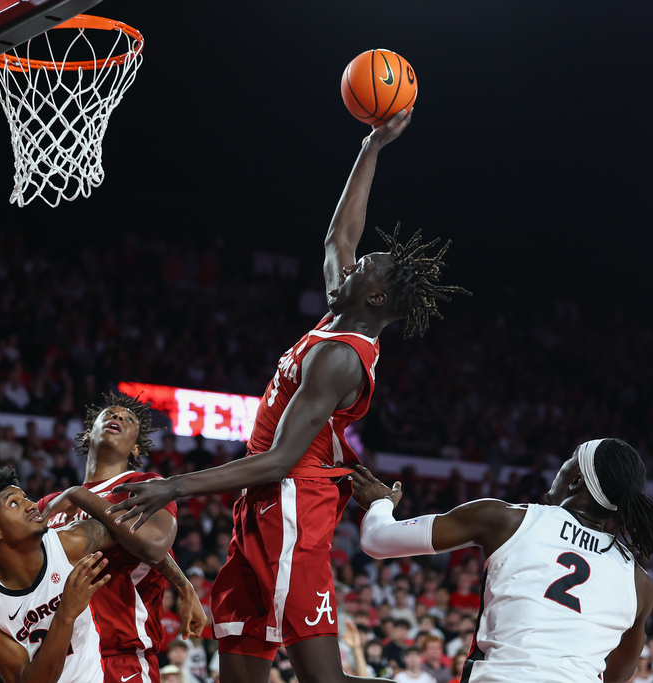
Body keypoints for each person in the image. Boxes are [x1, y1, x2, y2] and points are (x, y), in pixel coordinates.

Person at [108, 109, 467, 683]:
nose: (352, 264)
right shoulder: (339, 311)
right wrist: (372, 146)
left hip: (291, 505)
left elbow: (276, 458)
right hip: (263, 506)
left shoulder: (341, 355)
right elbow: (337, 236)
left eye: (365, 269)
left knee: (324, 680)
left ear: (374, 300)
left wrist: (174, 485)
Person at [350, 438, 653, 683]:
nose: (560, 468)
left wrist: (380, 504)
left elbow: (376, 540)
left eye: (568, 461)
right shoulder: (639, 582)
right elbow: (618, 676)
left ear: (576, 480)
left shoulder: (508, 519)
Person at [0, 439, 180, 683]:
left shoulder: (69, 542)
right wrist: (67, 612)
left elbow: (143, 539)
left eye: (25, 497)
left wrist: (182, 585)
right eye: (14, 503)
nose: (30, 505)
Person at [36, 395, 207, 682]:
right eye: (110, 414)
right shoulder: (48, 504)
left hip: (118, 656)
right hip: (57, 658)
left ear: (136, 447)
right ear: (89, 432)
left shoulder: (145, 486)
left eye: (129, 420)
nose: (118, 418)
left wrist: (79, 495)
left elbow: (154, 546)